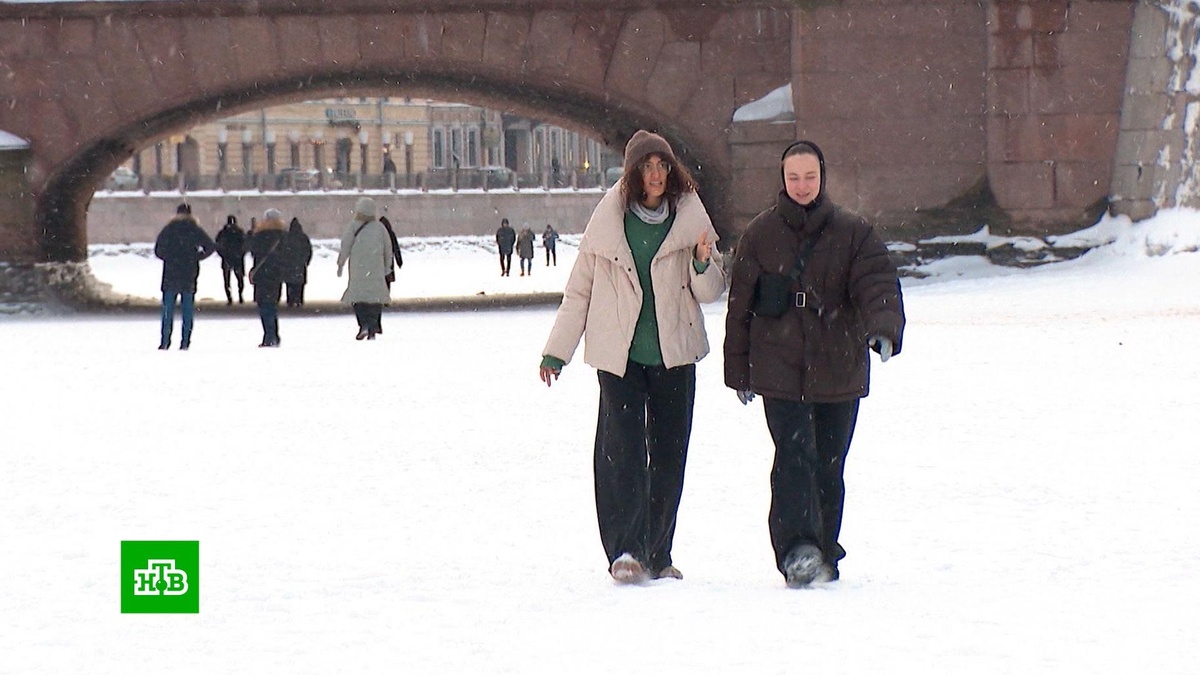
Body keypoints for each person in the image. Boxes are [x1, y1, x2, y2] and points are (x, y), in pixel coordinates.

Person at [538, 130, 725, 583]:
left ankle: (658, 553)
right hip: (619, 356)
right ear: (633, 175)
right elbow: (578, 293)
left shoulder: (691, 219)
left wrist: (702, 262)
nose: (656, 174)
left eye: (662, 166)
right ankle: (625, 548)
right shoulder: (606, 226)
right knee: (621, 453)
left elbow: (711, 290)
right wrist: (556, 352)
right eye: (647, 167)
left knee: (667, 455)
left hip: (674, 354)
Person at [723, 140, 906, 588]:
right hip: (778, 365)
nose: (802, 186)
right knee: (793, 456)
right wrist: (739, 370)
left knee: (828, 462)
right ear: (782, 180)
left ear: (821, 177)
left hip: (837, 362)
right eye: (793, 177)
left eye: (809, 177)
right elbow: (740, 303)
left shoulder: (852, 232)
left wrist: (883, 328)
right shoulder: (761, 234)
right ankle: (796, 548)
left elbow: (877, 281)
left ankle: (825, 547)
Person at [153, 203, 215, 350]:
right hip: (189, 272)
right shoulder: (195, 229)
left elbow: (158, 250)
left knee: (168, 309)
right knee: (187, 310)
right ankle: (185, 341)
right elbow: (210, 246)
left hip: (170, 273)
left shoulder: (169, 229)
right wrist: (196, 256)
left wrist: (169, 257)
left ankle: (165, 341)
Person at [338, 197, 394, 340]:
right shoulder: (380, 227)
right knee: (375, 299)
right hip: (376, 268)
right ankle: (372, 326)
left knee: (358, 297)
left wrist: (341, 263)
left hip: (358, 268)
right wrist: (388, 267)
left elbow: (345, 246)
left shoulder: (352, 226)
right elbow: (388, 248)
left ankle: (363, 324)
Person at [247, 208, 288, 347]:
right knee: (272, 305)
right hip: (276, 274)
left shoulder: (259, 235)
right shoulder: (283, 235)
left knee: (264, 305)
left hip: (262, 274)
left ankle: (269, 335)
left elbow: (252, 250)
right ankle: (274, 334)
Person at [214, 214, 246, 305]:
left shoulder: (223, 233)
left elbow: (218, 245)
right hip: (237, 259)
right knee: (239, 278)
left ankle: (230, 297)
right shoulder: (239, 232)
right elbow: (245, 244)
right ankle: (240, 295)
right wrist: (240, 254)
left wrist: (222, 255)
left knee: (227, 280)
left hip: (227, 258)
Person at [283, 217, 313, 307]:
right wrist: (306, 261)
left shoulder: (286, 237)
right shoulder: (303, 237)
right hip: (300, 264)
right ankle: (299, 299)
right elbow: (308, 250)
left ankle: (290, 299)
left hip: (289, 265)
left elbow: (282, 251)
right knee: (299, 284)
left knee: (290, 284)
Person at [379, 215, 405, 291]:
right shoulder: (391, 234)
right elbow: (396, 248)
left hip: (379, 261)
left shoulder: (377, 235)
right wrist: (399, 261)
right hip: (389, 261)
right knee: (387, 281)